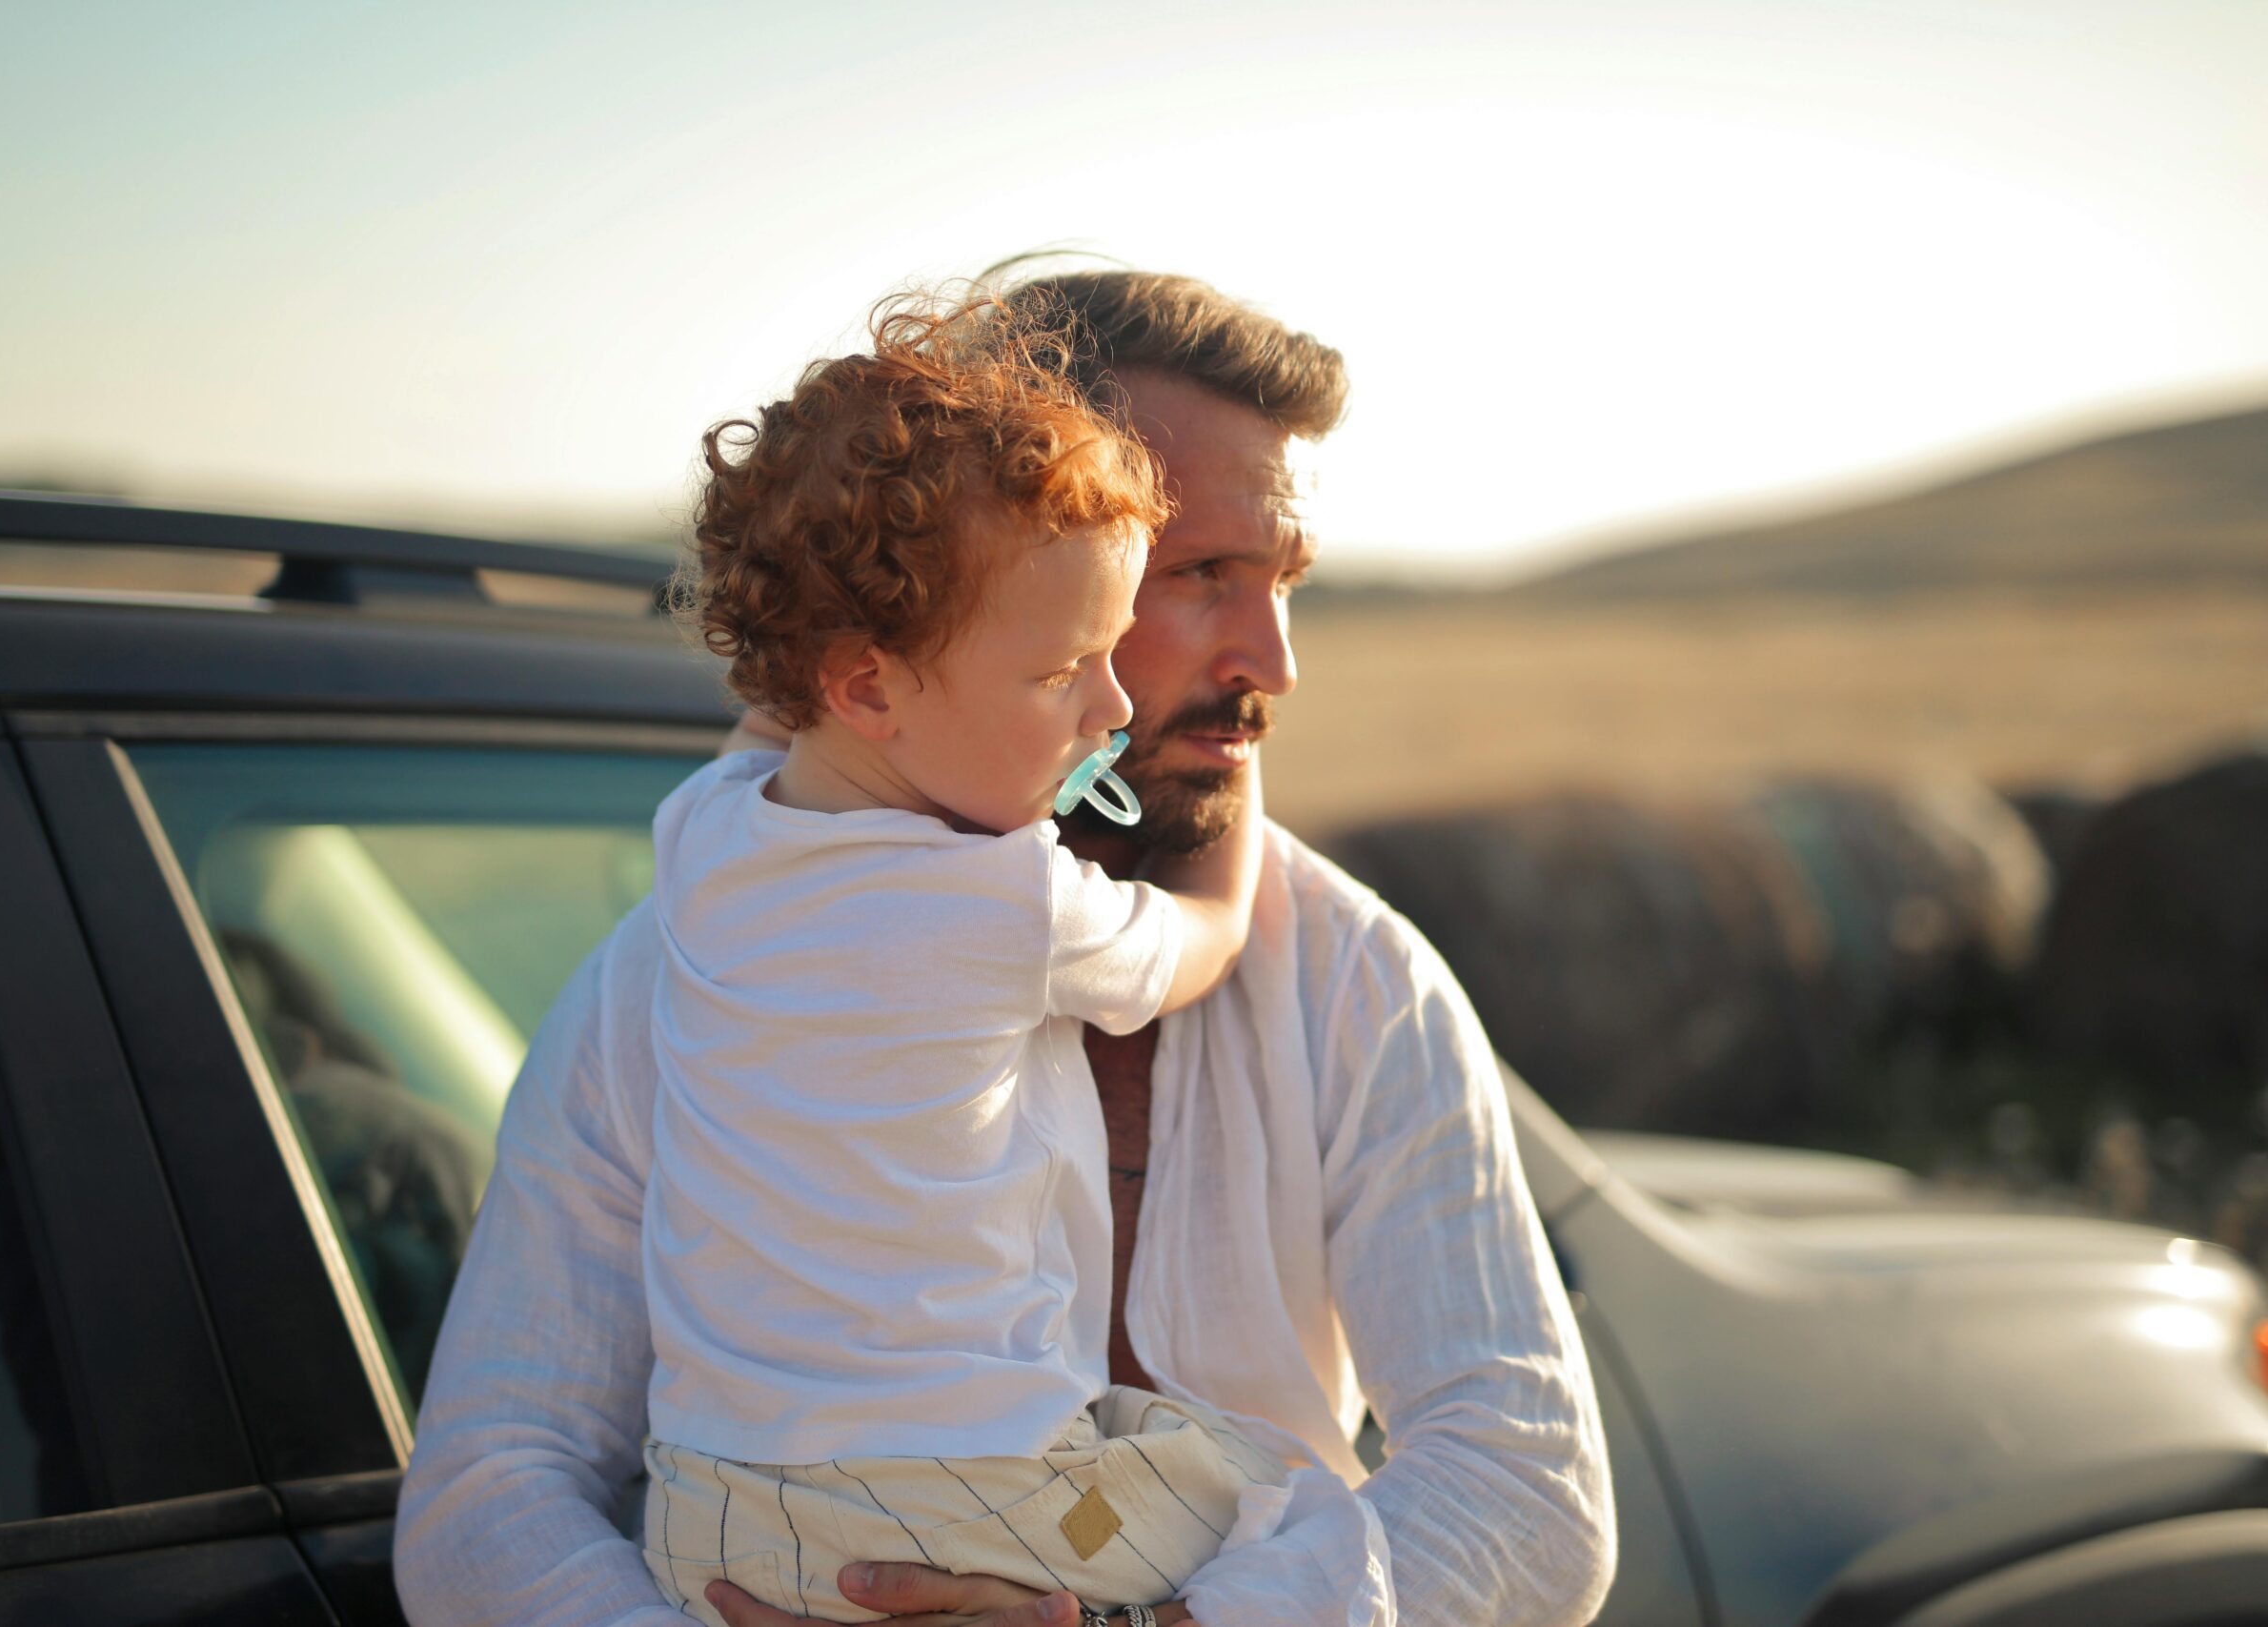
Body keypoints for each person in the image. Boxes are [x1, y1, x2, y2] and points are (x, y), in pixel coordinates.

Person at [395, 271, 1618, 1627]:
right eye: (1199, 572)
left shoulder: (1353, 980)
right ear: (990, 570)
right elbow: (483, 1491)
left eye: (1286, 584)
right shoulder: (672, 976)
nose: (1272, 658)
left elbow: (1529, 1494)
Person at [631, 295, 1339, 1625]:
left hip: (709, 1521)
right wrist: (1236, 834)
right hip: (977, 1506)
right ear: (868, 686)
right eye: (1069, 667)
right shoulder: (1012, 901)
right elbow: (1197, 944)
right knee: (1276, 1496)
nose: (1112, 707)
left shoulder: (698, 841)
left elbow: (782, 751)